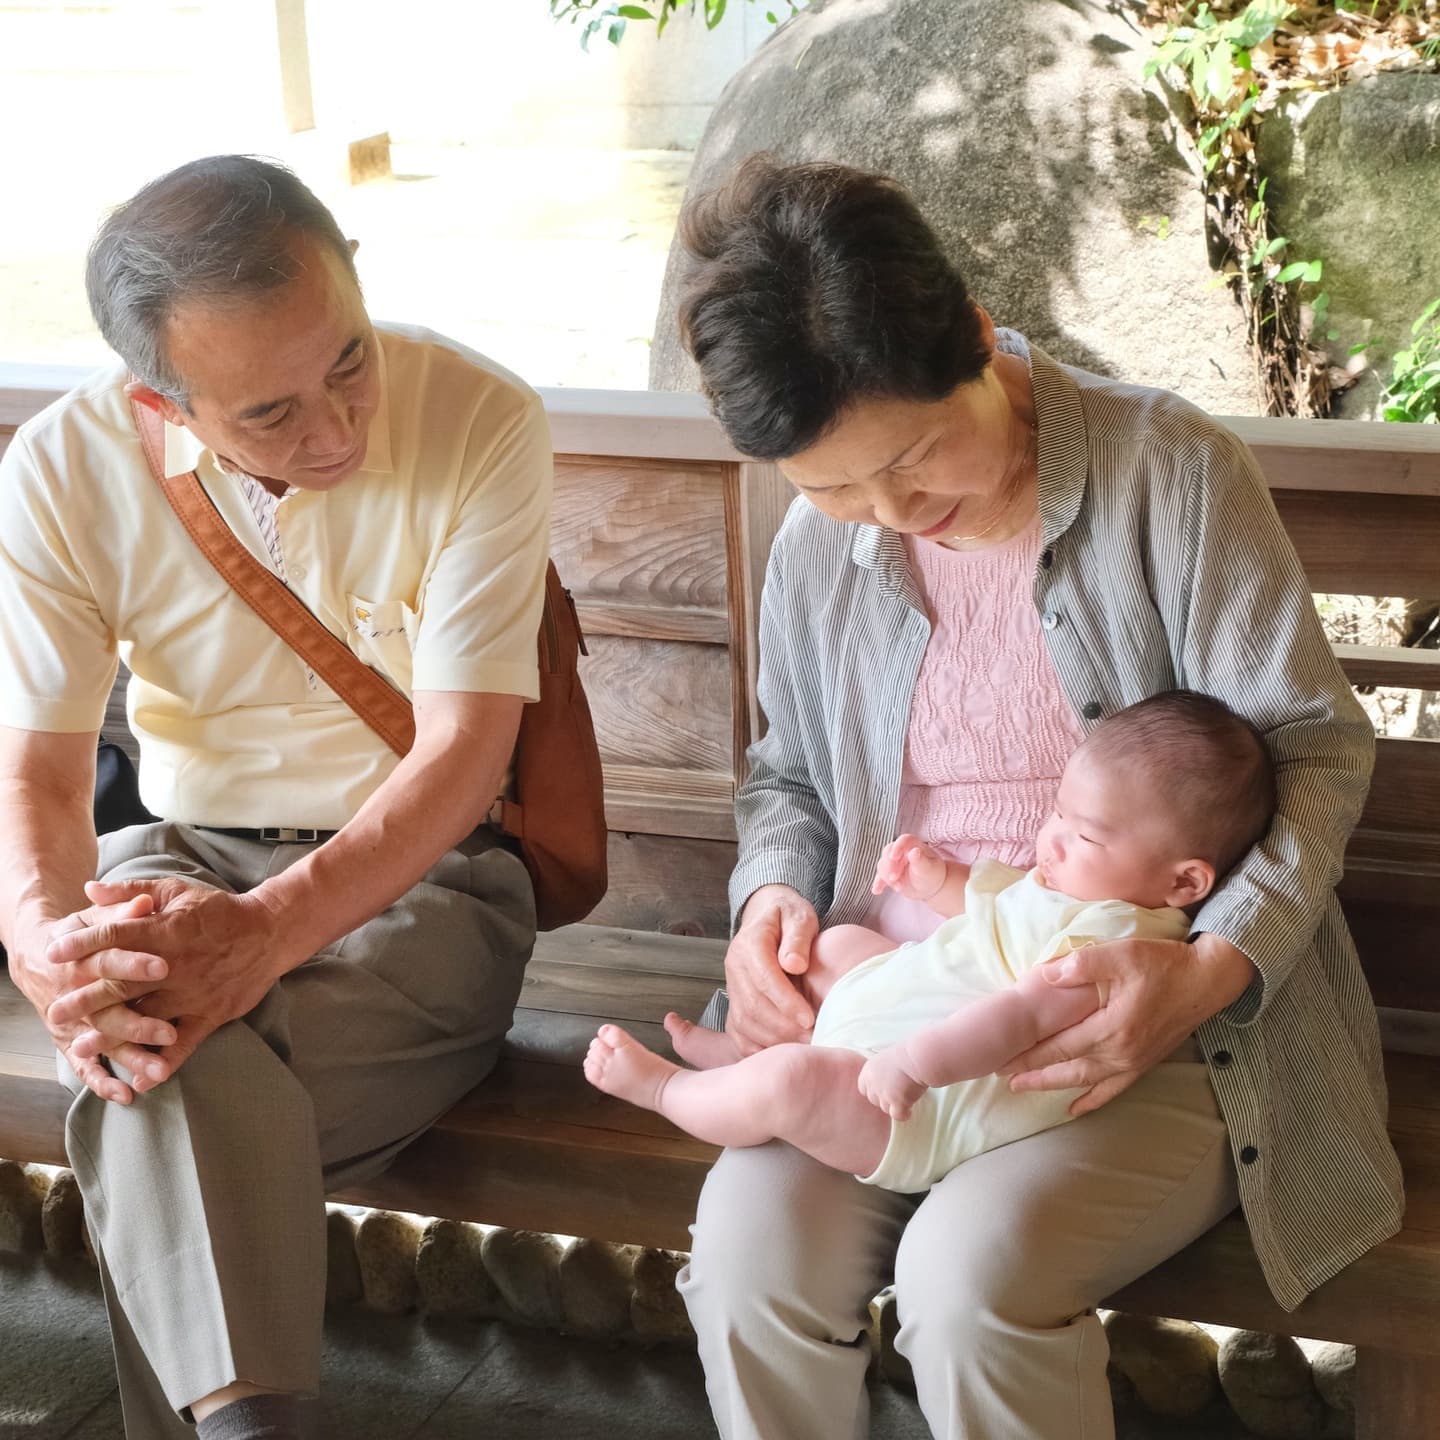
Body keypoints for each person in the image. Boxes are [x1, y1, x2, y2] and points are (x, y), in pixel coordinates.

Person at [669, 155, 1403, 1440]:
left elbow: (1318, 754)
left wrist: (1213, 969)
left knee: (965, 1282)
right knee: (747, 1260)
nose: (891, 512)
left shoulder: (1163, 473)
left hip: (1142, 1011)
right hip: (896, 1000)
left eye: (910, 458)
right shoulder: (819, 544)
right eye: (835, 485)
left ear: (971, 336)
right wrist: (773, 896)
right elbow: (785, 774)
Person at [0, 156, 552, 1440]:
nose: (337, 432)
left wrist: (259, 942)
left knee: (154, 1066)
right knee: (148, 1028)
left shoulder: (480, 415)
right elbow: (35, 771)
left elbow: (465, 753)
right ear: (164, 402)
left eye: (348, 360)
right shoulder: (63, 471)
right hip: (180, 852)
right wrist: (46, 948)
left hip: (432, 881)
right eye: (268, 413)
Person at [587, 691, 1274, 1194]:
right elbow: (991, 904)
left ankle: (668, 1090)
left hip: (923, 1107)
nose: (1050, 839)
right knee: (838, 946)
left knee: (791, 1085)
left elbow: (1017, 1021)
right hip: (907, 1009)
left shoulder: (1119, 949)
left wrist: (914, 1065)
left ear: (1184, 883)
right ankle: (746, 1049)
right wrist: (935, 877)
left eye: (1083, 833)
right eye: (1057, 811)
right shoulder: (1076, 886)